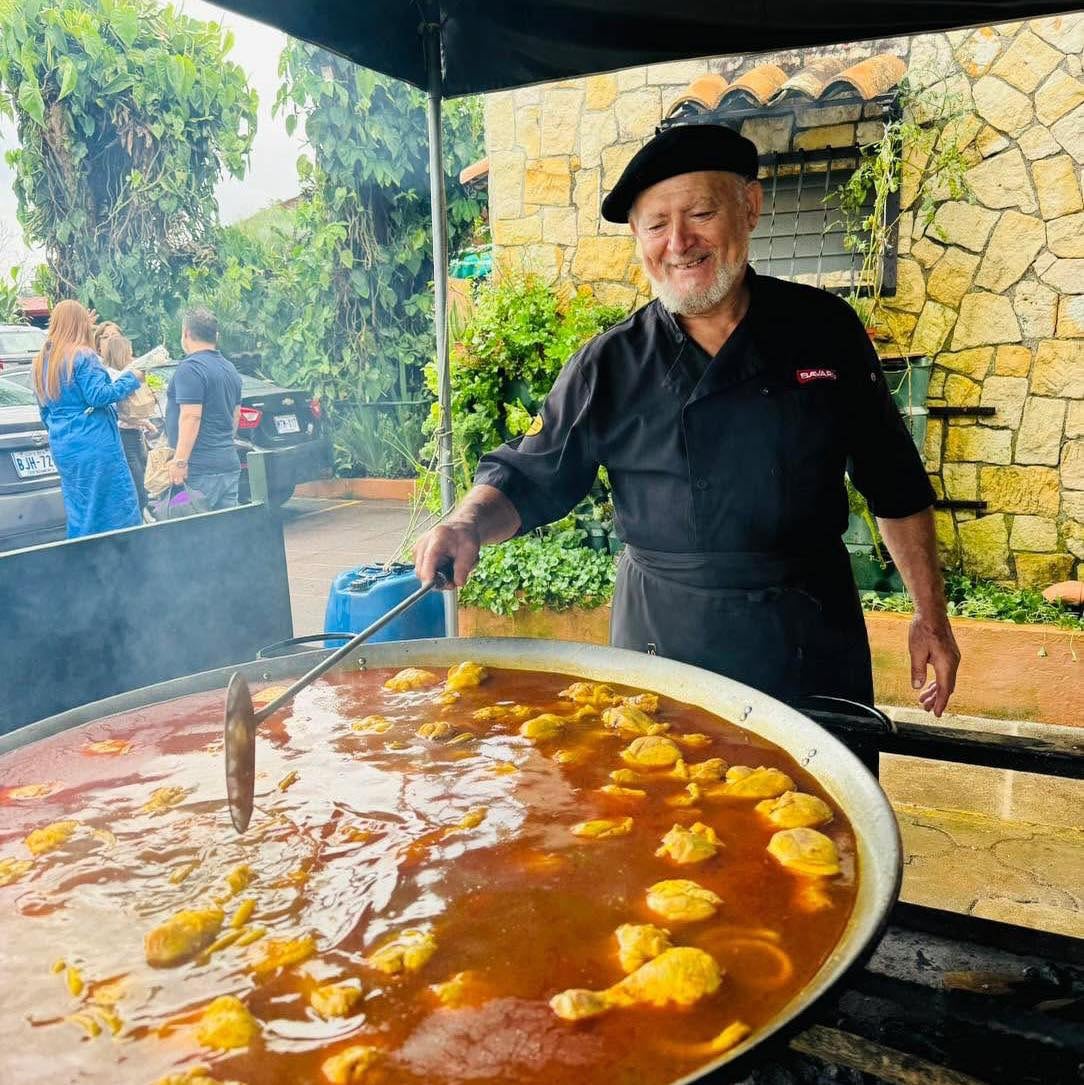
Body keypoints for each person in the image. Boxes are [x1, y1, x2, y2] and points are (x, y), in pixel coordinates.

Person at [415, 124, 961, 717]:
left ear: (748, 207)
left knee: (821, 805)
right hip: (664, 647)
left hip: (807, 637)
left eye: (701, 213)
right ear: (637, 237)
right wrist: (467, 522)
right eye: (656, 225)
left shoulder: (825, 330)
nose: (679, 242)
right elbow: (530, 474)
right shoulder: (611, 363)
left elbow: (893, 480)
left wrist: (931, 615)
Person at [33, 299, 146, 538]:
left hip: (64, 446)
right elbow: (99, 395)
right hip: (95, 443)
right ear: (80, 324)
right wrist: (132, 377)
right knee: (116, 506)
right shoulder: (83, 355)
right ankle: (124, 562)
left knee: (81, 507)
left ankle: (85, 562)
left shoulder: (42, 361)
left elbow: (44, 411)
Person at [165, 308, 243, 510]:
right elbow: (236, 416)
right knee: (226, 534)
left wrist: (180, 462)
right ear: (216, 336)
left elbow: (191, 417)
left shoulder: (190, 369)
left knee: (194, 536)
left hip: (199, 473)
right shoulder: (230, 369)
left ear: (186, 334)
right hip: (228, 465)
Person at [101, 334, 153, 516]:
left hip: (135, 433)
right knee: (137, 482)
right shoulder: (116, 377)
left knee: (143, 478)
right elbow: (118, 411)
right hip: (124, 435)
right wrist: (142, 421)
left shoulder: (125, 374)